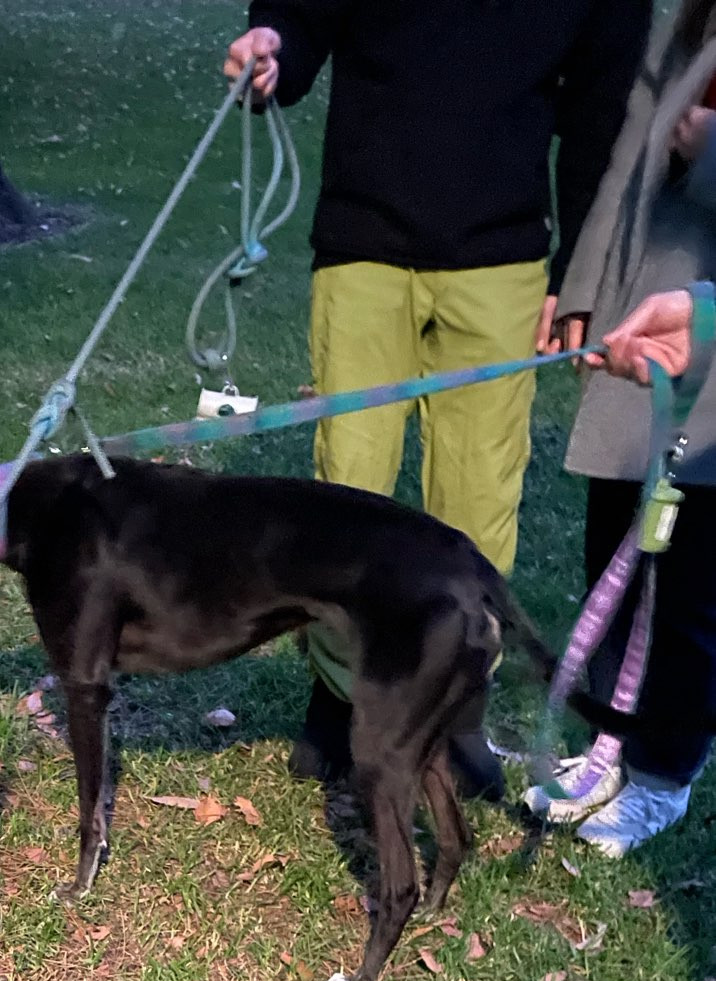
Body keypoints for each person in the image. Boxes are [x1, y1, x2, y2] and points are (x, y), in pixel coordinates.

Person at [224, 1, 649, 793]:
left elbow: (601, 110)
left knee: (479, 504)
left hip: (503, 259)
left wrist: (576, 278)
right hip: (363, 248)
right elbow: (304, 17)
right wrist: (271, 44)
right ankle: (339, 701)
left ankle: (457, 712)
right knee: (348, 496)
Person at [528, 0, 716, 857]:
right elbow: (621, 168)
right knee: (612, 547)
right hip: (639, 327)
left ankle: (664, 772)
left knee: (685, 582)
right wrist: (581, 294)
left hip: (703, 346)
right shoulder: (683, 30)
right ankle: (604, 746)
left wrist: (708, 150)